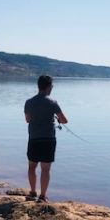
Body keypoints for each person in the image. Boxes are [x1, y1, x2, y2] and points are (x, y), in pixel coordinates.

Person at [24, 74, 68, 203]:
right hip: (48, 139)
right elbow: (64, 120)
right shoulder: (53, 102)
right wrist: (56, 118)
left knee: (32, 167)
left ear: (38, 86)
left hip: (34, 138)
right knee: (46, 169)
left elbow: (27, 120)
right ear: (49, 87)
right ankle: (42, 196)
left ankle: (32, 193)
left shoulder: (29, 102)